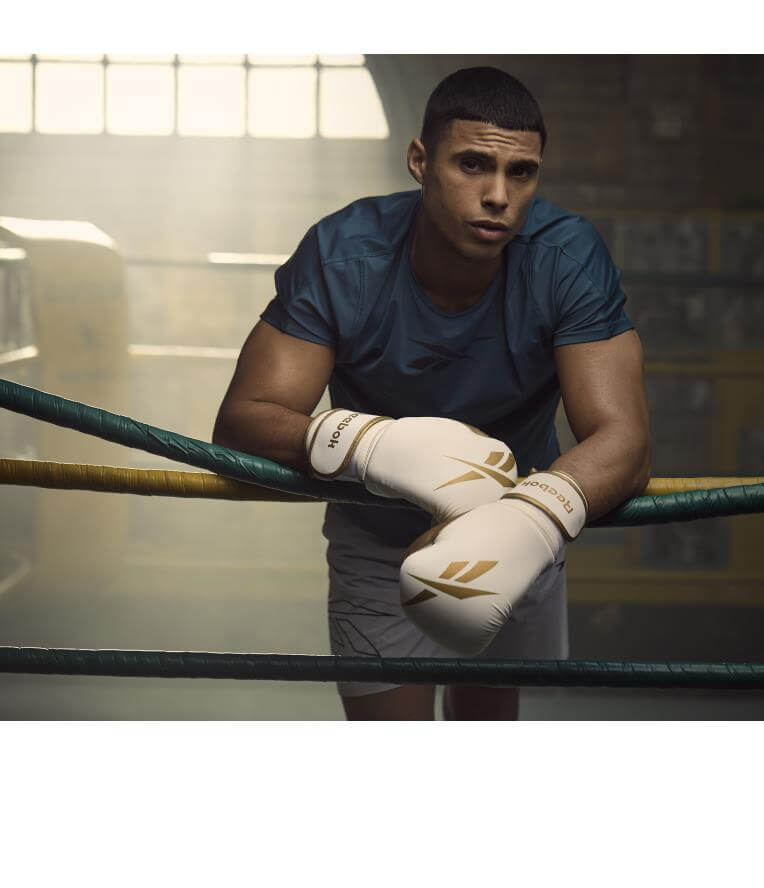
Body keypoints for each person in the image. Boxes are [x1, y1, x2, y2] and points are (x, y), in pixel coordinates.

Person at [212, 66, 651, 720]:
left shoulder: (566, 255)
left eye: (521, 172)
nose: (498, 194)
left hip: (524, 522)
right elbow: (244, 419)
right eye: (473, 165)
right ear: (420, 160)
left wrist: (529, 519)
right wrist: (372, 444)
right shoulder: (344, 254)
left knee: (486, 725)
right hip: (376, 535)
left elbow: (626, 441)